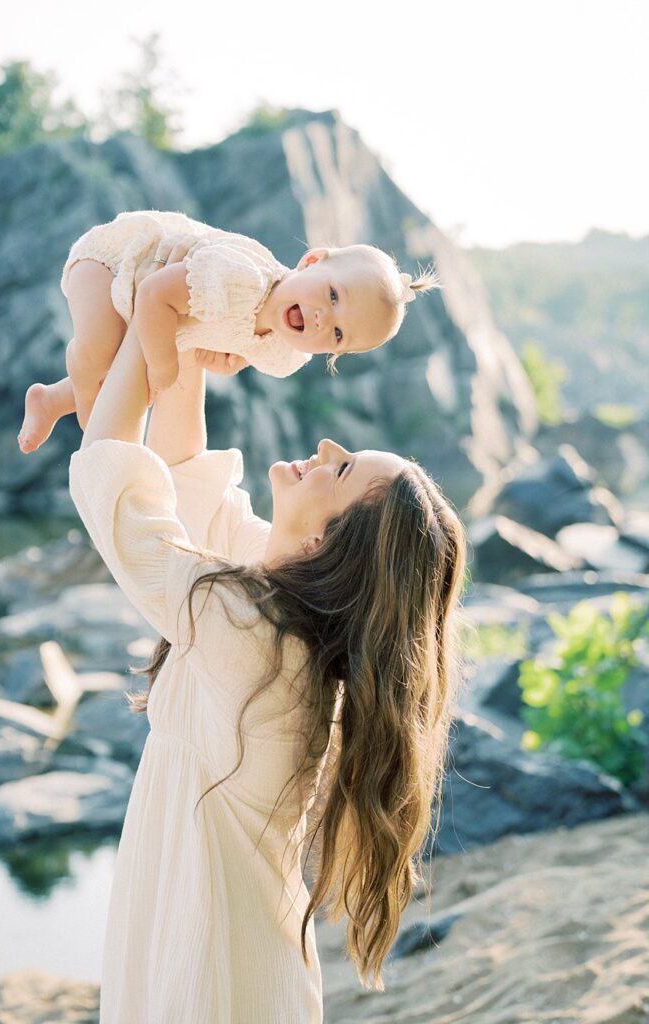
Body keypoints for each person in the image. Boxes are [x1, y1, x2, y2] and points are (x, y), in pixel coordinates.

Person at [67, 236, 467, 1023]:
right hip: (239, 962)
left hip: (209, 969)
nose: (324, 449)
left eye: (343, 469)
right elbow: (191, 490)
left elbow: (115, 480)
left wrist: (146, 333)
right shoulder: (285, 617)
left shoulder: (249, 630)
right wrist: (181, 336)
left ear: (329, 544)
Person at [18, 209, 441, 453]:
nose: (320, 320)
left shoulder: (285, 354)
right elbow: (152, 295)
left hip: (153, 307)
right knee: (106, 358)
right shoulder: (240, 277)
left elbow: (233, 340)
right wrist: (165, 368)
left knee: (129, 379)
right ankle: (86, 398)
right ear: (312, 261)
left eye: (336, 335)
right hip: (115, 260)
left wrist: (227, 357)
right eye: (332, 297)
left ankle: (51, 399)